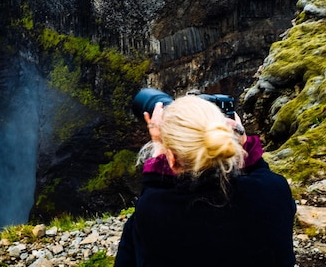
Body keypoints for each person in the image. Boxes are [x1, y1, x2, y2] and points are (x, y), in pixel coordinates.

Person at [114, 95, 296, 267]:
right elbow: (262, 176)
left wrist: (158, 147)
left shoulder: (154, 212)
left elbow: (154, 200)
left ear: (170, 158)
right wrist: (243, 142)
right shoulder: (274, 191)